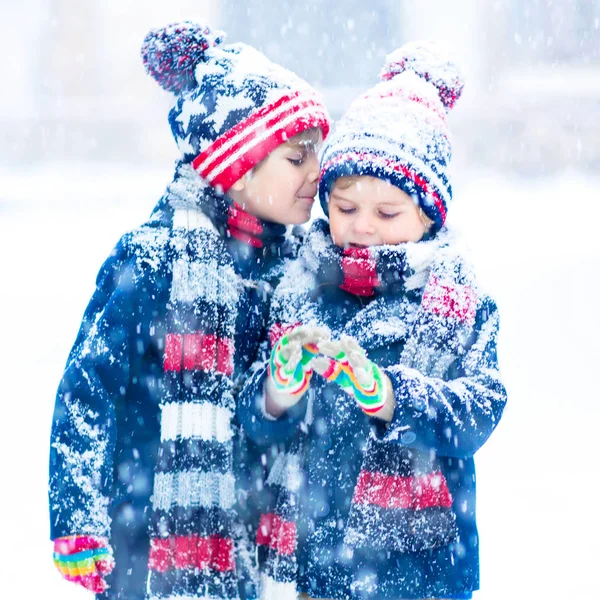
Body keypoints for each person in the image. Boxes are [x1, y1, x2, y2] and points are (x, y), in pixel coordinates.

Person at [48, 21, 329, 600]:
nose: (316, 173)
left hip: (256, 533)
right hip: (150, 534)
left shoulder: (300, 268)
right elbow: (88, 389)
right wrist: (78, 517)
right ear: (237, 165)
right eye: (297, 157)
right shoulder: (152, 262)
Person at [238, 41, 507, 600]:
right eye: (344, 207)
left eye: (387, 213)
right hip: (312, 563)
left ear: (429, 214)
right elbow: (259, 424)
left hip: (415, 569)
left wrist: (390, 396)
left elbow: (479, 409)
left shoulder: (454, 304)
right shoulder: (298, 286)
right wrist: (277, 392)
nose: (362, 226)